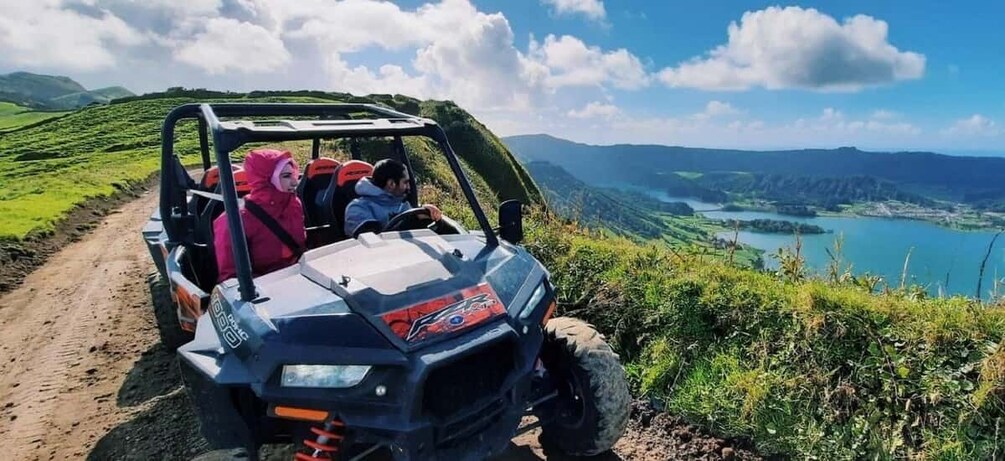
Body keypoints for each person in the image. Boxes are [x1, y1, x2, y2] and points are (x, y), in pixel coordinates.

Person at [214, 149, 306, 282]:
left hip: (298, 276)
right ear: (267, 180)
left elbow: (300, 248)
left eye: (293, 175)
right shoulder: (234, 219)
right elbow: (231, 278)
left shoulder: (294, 204)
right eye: (286, 176)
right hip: (263, 288)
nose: (294, 182)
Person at [344, 158, 441, 237]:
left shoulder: (403, 205)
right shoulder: (357, 208)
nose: (409, 187)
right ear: (391, 184)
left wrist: (425, 212)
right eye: (405, 182)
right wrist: (411, 221)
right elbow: (373, 241)